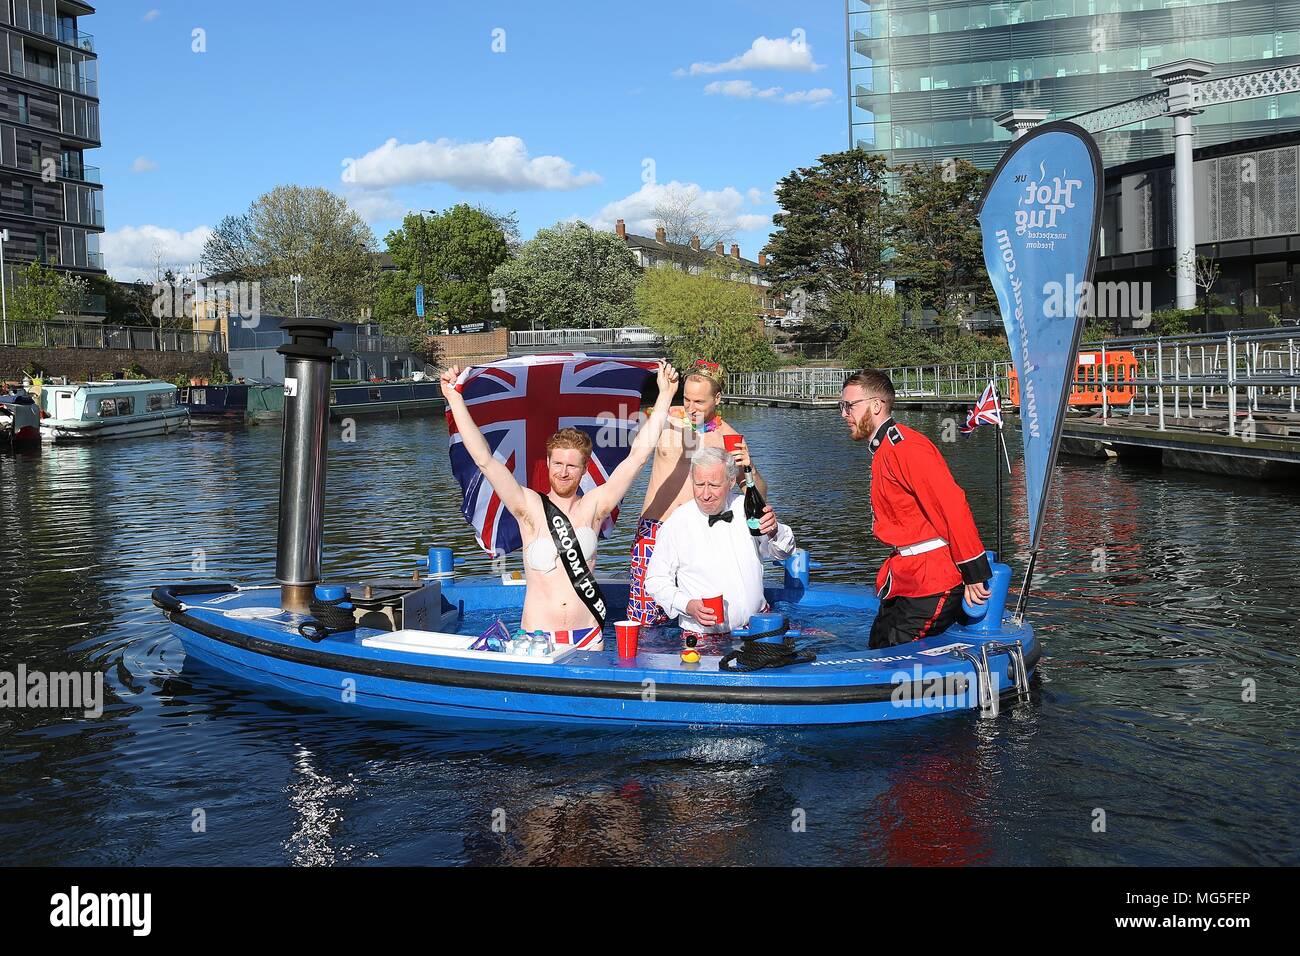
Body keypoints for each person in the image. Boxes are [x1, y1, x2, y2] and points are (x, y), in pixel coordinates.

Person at [440, 360, 680, 649]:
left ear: (583, 469)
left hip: (589, 636)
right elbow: (485, 460)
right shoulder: (527, 506)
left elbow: (637, 457)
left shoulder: (595, 506)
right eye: (557, 464)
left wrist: (665, 395)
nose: (563, 472)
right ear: (549, 463)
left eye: (571, 466)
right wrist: (454, 398)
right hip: (538, 640)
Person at [839, 369, 992, 649]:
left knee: (894, 653)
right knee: (877, 646)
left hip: (934, 579)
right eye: (842, 406)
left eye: (850, 405)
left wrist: (975, 573)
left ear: (876, 405)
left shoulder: (906, 447)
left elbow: (952, 505)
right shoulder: (885, 448)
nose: (844, 414)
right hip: (910, 574)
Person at [627, 360, 767, 626]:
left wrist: (751, 469)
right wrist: (664, 394)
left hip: (700, 533)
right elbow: (635, 452)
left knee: (705, 614)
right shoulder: (664, 419)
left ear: (717, 398)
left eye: (699, 402)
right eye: (687, 399)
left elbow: (757, 497)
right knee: (644, 616)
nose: (691, 408)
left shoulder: (730, 438)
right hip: (655, 527)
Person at [644, 446, 794, 657]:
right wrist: (687, 605)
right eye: (699, 484)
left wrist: (774, 531)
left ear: (731, 482)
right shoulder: (677, 523)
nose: (705, 494)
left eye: (713, 485)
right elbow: (655, 580)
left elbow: (783, 552)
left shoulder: (746, 507)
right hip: (703, 639)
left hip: (758, 629)